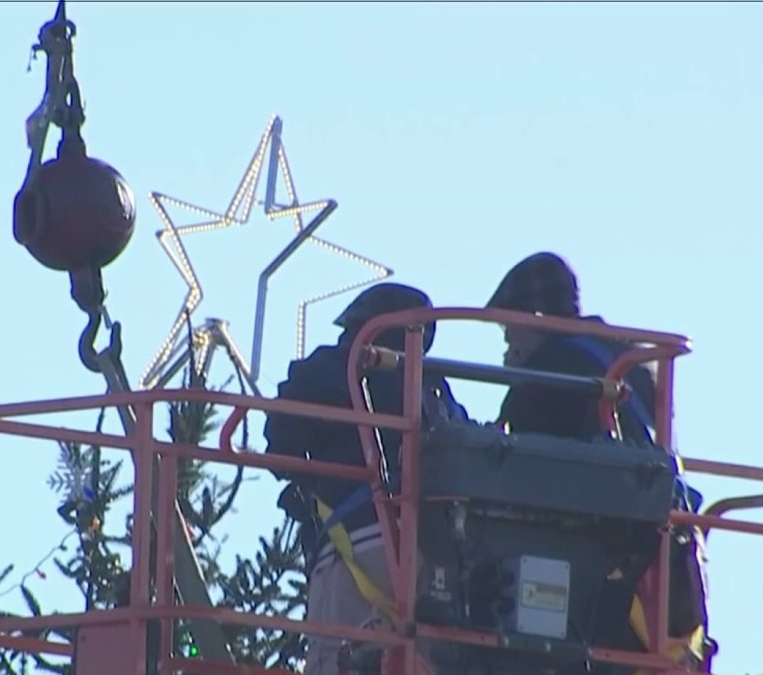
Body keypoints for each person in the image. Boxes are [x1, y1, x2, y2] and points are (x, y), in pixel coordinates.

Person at [486, 251, 712, 672]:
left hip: (596, 571)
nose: (505, 342)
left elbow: (515, 464)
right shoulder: (625, 359)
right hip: (657, 564)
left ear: (536, 316)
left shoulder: (551, 370)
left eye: (507, 327)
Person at [263, 282, 470, 675]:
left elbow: (279, 441)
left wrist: (301, 480)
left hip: (356, 542)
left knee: (336, 660)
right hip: (438, 551)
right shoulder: (437, 390)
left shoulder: (331, 366)